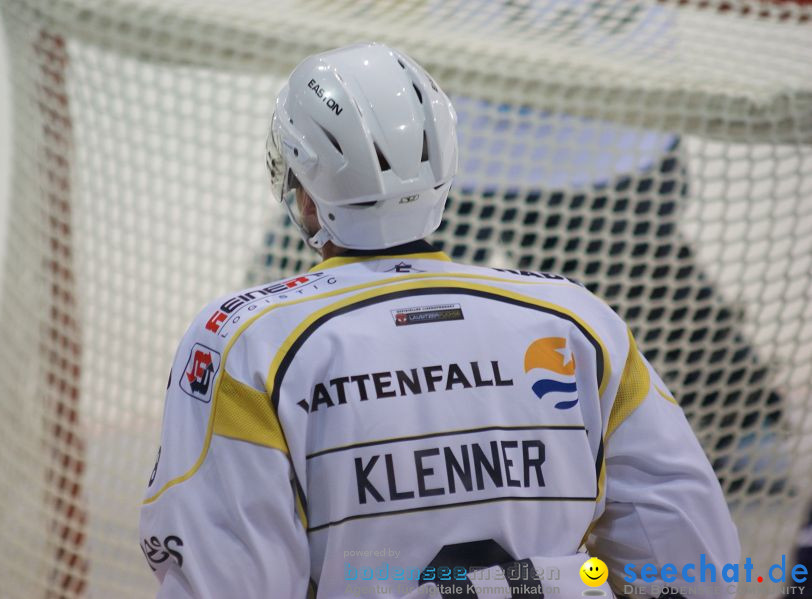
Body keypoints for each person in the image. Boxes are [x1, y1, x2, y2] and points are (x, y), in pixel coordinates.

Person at [139, 42, 739, 599]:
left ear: (303, 193)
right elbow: (695, 557)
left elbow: (228, 579)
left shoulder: (244, 343)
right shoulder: (578, 322)